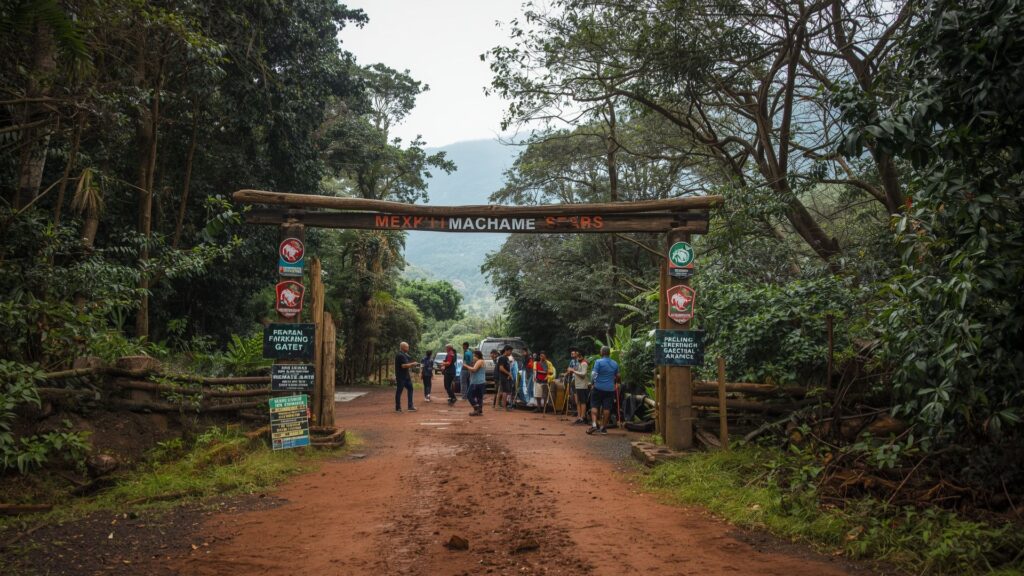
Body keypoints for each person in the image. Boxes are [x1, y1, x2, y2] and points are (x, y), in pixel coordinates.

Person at [587, 346, 619, 434]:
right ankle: (603, 428)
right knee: (607, 408)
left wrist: (592, 382)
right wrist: (616, 382)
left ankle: (594, 425)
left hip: (598, 387)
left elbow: (593, 374)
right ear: (609, 353)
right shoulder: (615, 363)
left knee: (594, 406)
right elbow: (618, 376)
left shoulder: (598, 362)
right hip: (610, 389)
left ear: (602, 353)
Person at [565, 348, 590, 424]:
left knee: (583, 402)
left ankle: (583, 417)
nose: (577, 357)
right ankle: (580, 417)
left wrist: (573, 371)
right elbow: (577, 371)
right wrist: (572, 370)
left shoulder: (584, 363)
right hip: (578, 385)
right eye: (577, 356)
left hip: (582, 385)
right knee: (579, 401)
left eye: (579, 356)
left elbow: (583, 374)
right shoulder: (580, 363)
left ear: (582, 356)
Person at [394, 341, 418, 413]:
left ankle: (410, 406)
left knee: (410, 388)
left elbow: (406, 363)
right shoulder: (400, 355)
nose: (408, 348)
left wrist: (411, 363)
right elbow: (403, 366)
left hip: (406, 376)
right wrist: (413, 364)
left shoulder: (404, 355)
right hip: (401, 377)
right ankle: (398, 407)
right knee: (399, 391)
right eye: (407, 347)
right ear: (403, 347)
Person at [465, 350, 487, 416]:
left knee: (469, 395)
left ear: (476, 355)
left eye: (473, 356)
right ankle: (479, 411)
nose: (473, 357)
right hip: (480, 382)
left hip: (476, 382)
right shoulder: (481, 361)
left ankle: (476, 408)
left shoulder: (479, 361)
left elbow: (474, 370)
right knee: (479, 397)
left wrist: (466, 366)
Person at [496, 345, 515, 410]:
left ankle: (499, 405)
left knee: (504, 391)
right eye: (510, 351)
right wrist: (508, 373)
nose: (511, 352)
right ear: (506, 350)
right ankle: (503, 406)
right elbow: (501, 368)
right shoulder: (502, 358)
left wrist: (509, 375)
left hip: (506, 377)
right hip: (503, 377)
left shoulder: (506, 358)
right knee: (505, 391)